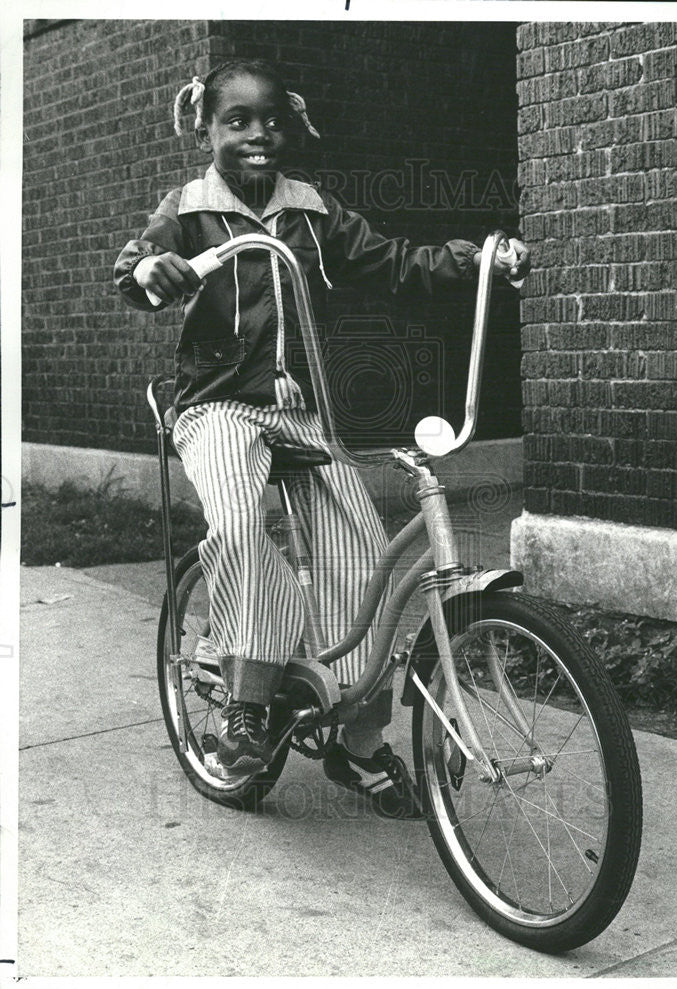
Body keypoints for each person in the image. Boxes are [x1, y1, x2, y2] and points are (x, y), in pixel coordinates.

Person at [114, 58, 530, 817]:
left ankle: (359, 741)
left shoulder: (311, 211)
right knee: (239, 528)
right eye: (236, 121)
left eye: (271, 120)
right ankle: (246, 700)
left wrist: (474, 262)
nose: (257, 135)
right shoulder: (190, 207)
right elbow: (138, 266)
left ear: (291, 124)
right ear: (203, 127)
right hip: (218, 406)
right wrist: (155, 271)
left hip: (303, 411)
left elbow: (390, 260)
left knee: (362, 554)